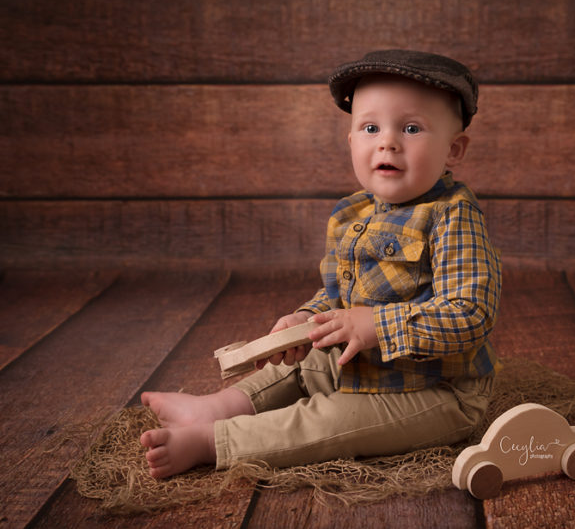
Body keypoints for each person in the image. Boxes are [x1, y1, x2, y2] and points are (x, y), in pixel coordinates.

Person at [140, 49, 502, 479]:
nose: (388, 141)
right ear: (352, 142)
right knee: (305, 366)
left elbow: (472, 314)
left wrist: (375, 326)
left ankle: (214, 442)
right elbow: (339, 295)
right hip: (365, 362)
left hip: (435, 390)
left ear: (453, 149)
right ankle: (216, 407)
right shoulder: (353, 213)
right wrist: (308, 318)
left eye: (411, 128)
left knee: (331, 420)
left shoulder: (453, 215)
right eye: (370, 127)